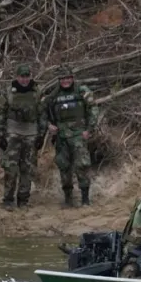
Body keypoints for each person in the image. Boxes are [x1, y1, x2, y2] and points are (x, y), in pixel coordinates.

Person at [42, 66, 97, 207]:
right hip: (61, 136)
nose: (65, 81)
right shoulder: (53, 95)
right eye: (62, 79)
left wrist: (89, 129)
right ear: (59, 80)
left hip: (79, 134)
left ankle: (85, 199)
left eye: (68, 78)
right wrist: (49, 125)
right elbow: (41, 112)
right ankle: (68, 199)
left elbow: (93, 109)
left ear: (72, 78)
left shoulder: (81, 90)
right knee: (64, 166)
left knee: (82, 165)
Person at [0, 63, 43, 210]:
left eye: (27, 76)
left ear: (30, 77)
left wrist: (41, 134)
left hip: (31, 133)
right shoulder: (8, 92)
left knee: (27, 169)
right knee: (11, 168)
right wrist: (1, 134)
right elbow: (0, 113)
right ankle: (8, 200)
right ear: (17, 77)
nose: (24, 79)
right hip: (13, 133)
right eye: (22, 76)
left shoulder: (36, 92)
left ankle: (23, 201)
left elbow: (42, 113)